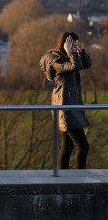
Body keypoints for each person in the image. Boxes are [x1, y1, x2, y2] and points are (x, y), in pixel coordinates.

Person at [40, 32, 92, 169]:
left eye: (77, 45)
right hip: (65, 107)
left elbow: (85, 64)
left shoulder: (67, 57)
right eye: (74, 45)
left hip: (70, 106)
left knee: (67, 146)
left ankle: (63, 177)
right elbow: (74, 66)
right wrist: (71, 52)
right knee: (83, 146)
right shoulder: (57, 61)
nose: (76, 48)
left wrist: (80, 52)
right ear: (65, 45)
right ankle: (79, 178)